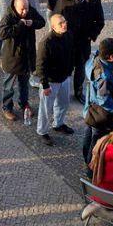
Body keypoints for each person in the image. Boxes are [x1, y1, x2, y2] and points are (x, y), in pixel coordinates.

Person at [53, 0, 104, 104]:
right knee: (65, 65)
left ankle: (78, 91)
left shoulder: (93, 0)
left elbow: (100, 21)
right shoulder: (64, 0)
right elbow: (55, 17)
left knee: (81, 67)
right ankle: (62, 91)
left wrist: (91, 35)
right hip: (67, 40)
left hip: (83, 41)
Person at [0, 0, 45, 122]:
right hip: (12, 57)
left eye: (26, 8)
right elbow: (3, 34)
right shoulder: (8, 16)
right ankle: (7, 107)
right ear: (15, 7)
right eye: (22, 10)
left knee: (24, 84)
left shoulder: (30, 11)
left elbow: (42, 22)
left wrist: (32, 23)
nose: (25, 12)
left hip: (26, 56)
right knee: (8, 85)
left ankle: (24, 103)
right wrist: (20, 25)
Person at [34, 14, 75, 146]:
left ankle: (58, 123)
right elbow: (40, 66)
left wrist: (69, 71)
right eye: (60, 23)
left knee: (64, 103)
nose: (64, 24)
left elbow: (70, 54)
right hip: (51, 81)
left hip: (64, 78)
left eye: (64, 21)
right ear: (53, 27)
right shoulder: (46, 43)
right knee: (46, 108)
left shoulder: (68, 35)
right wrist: (45, 85)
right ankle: (42, 131)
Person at [82, 38, 113, 169]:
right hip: (101, 113)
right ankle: (90, 167)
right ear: (111, 57)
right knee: (97, 140)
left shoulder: (96, 58)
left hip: (91, 109)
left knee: (90, 133)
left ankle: (85, 157)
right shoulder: (104, 76)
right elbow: (103, 99)